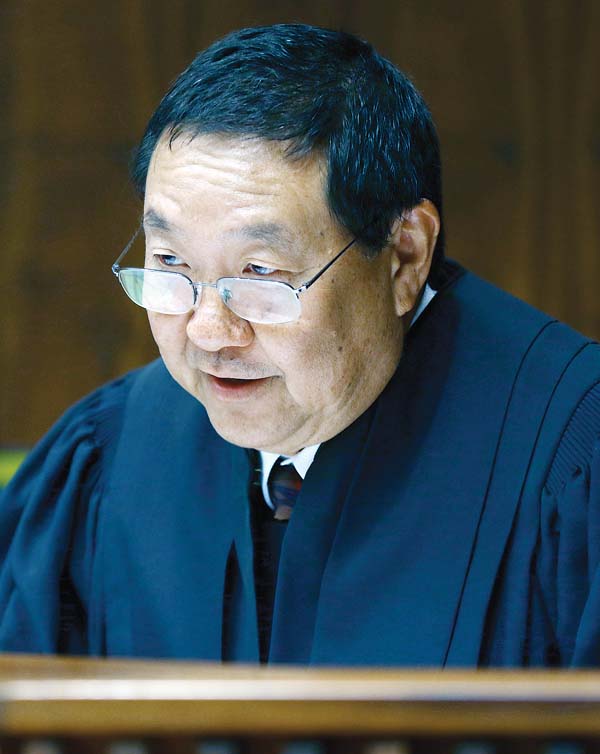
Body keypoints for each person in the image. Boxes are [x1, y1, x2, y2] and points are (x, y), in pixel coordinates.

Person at [1, 23, 600, 667]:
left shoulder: (569, 451)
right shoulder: (109, 455)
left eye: (259, 273)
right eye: (170, 262)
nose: (208, 331)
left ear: (404, 257)